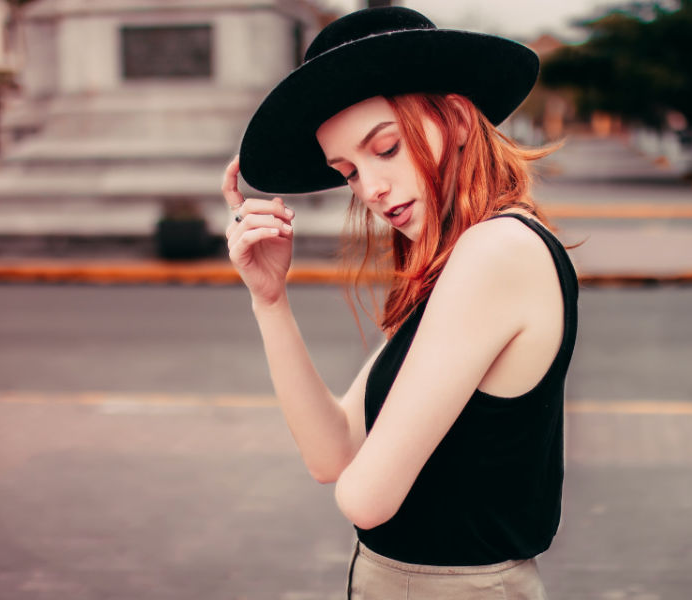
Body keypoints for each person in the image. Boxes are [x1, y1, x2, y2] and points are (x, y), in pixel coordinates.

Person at [221, 7, 578, 599]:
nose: (372, 189)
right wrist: (270, 300)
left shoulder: (495, 252)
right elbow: (331, 453)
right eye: (350, 171)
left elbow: (365, 496)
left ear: (459, 118)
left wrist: (366, 471)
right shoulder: (455, 262)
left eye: (385, 148)